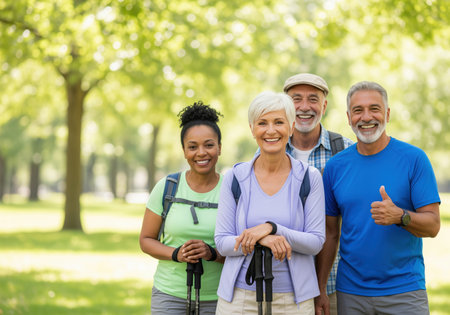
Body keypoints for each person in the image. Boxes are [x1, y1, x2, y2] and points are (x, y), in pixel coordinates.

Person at [318, 81, 441, 315]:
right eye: (358, 110)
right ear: (348, 117)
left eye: (374, 108)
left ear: (387, 113)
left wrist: (400, 216)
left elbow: (433, 226)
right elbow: (330, 233)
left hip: (405, 292)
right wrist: (321, 288)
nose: (366, 117)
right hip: (351, 293)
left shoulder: (414, 159)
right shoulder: (335, 167)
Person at [215, 91, 325, 314]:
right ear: (252, 129)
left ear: (291, 127)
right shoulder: (235, 178)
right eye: (262, 123)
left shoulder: (309, 177)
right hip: (238, 300)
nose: (271, 130)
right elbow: (222, 243)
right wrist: (261, 239)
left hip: (294, 301)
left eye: (279, 122)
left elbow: (315, 241)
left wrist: (273, 229)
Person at [139, 101, 225, 315]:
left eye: (209, 145)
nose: (201, 153)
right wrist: (177, 253)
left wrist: (212, 253)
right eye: (193, 146)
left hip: (219, 297)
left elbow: (243, 248)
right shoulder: (167, 187)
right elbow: (146, 240)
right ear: (184, 151)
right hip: (168, 295)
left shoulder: (232, 191)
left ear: (219, 148)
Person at [282, 73, 354, 315]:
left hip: (335, 285)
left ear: (324, 105)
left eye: (313, 99)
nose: (304, 107)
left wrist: (321, 287)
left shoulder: (345, 151)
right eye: (296, 99)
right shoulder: (270, 150)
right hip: (282, 283)